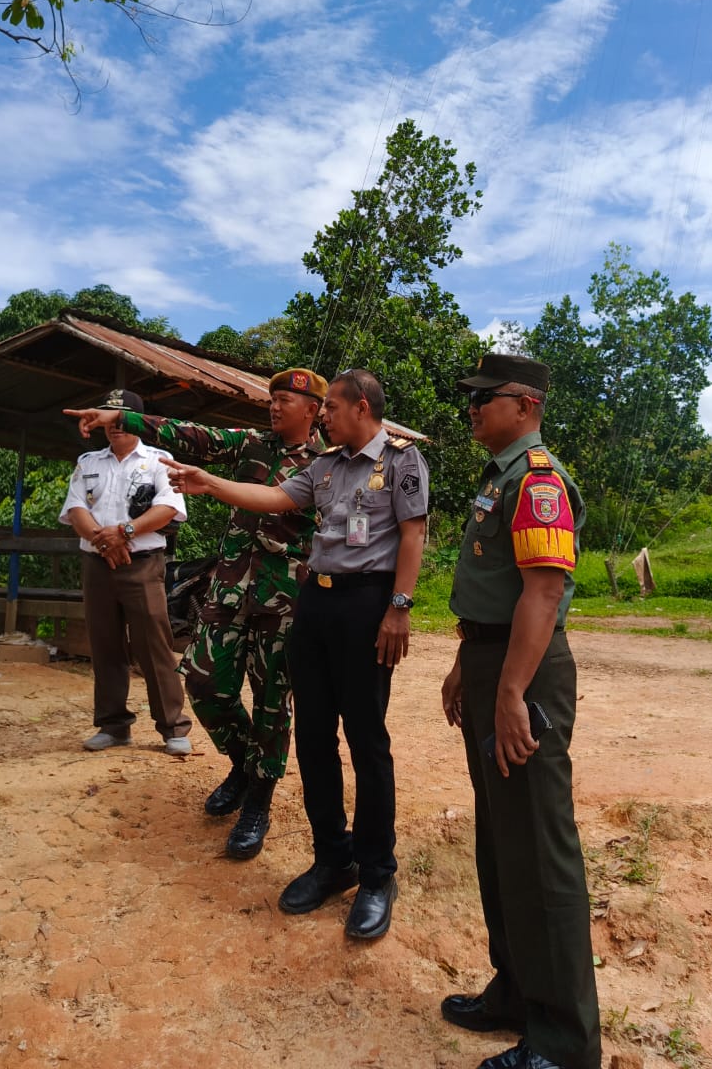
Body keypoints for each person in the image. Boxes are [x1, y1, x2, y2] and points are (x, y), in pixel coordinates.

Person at [166, 368, 429, 941]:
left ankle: (378, 874)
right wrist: (210, 483)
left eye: (330, 406)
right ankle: (334, 859)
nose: (324, 415)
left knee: (366, 741)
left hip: (367, 608)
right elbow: (273, 497)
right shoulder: (325, 466)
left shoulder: (402, 461)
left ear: (361, 406)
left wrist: (399, 609)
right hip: (313, 605)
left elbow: (413, 536)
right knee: (312, 739)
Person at [63, 369, 328, 861]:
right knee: (204, 681)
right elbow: (189, 434)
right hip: (229, 590)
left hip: (284, 599)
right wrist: (122, 417)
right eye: (271, 398)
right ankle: (245, 764)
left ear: (312, 409)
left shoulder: (327, 463)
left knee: (273, 701)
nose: (274, 407)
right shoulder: (250, 443)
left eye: (285, 400)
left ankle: (258, 800)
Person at [439, 354, 601, 1069]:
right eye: (470, 399)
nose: (472, 408)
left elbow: (541, 594)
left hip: (525, 672)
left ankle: (565, 1044)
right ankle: (515, 992)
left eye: (485, 398)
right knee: (501, 840)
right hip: (492, 660)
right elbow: (497, 590)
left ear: (527, 404)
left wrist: (508, 693)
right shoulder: (500, 476)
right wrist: (463, 666)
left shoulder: (538, 482)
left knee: (540, 850)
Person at [59, 389, 192, 756]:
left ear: (136, 421)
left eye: (120, 419)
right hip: (97, 564)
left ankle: (173, 728)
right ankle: (113, 726)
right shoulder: (88, 463)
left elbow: (168, 508)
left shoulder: (160, 460)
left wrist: (125, 533)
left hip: (144, 564)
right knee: (105, 644)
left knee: (154, 645)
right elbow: (75, 510)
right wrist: (104, 542)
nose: (113, 426)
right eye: (108, 418)